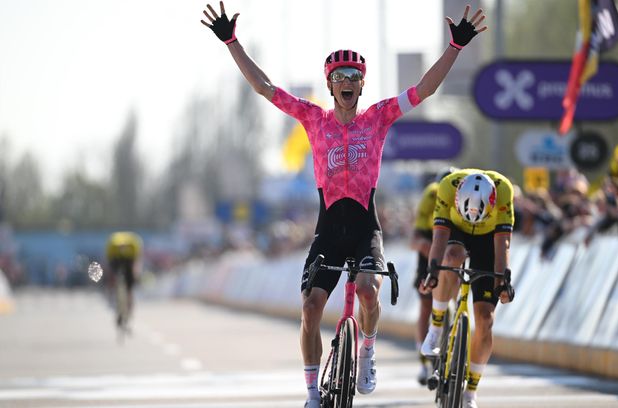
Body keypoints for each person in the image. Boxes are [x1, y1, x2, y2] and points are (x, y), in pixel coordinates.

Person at [201, 3, 488, 407]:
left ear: (362, 84)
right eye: (339, 77)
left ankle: (367, 350)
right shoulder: (314, 119)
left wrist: (455, 47)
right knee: (310, 307)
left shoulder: (377, 118)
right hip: (328, 231)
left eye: (354, 76)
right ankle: (312, 393)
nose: (347, 82)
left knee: (369, 292)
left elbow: (424, 89)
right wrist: (232, 42)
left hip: (365, 228)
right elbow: (265, 88)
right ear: (330, 85)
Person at [420, 169, 514, 408]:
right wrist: (432, 273)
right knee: (451, 257)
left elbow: (502, 243)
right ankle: (436, 327)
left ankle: (470, 391)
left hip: (489, 238)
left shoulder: (504, 190)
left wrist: (502, 283)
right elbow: (439, 239)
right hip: (457, 231)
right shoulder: (447, 186)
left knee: (485, 318)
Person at [409, 167, 457, 385]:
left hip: (455, 239)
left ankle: (455, 345)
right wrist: (424, 247)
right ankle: (423, 362)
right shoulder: (431, 194)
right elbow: (415, 239)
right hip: (431, 242)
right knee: (426, 306)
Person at [105, 231, 143, 328]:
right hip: (116, 259)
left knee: (129, 287)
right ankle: (115, 298)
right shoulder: (113, 244)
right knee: (114, 279)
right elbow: (110, 264)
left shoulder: (133, 244)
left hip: (129, 260)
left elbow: (136, 262)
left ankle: (128, 308)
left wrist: (135, 274)